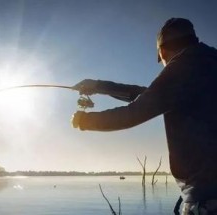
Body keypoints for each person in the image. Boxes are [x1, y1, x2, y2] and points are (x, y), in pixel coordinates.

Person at [71, 18, 217, 215]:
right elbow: (151, 95)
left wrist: (84, 120)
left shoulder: (182, 67)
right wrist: (99, 86)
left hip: (206, 200)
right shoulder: (206, 63)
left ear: (162, 52)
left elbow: (133, 113)